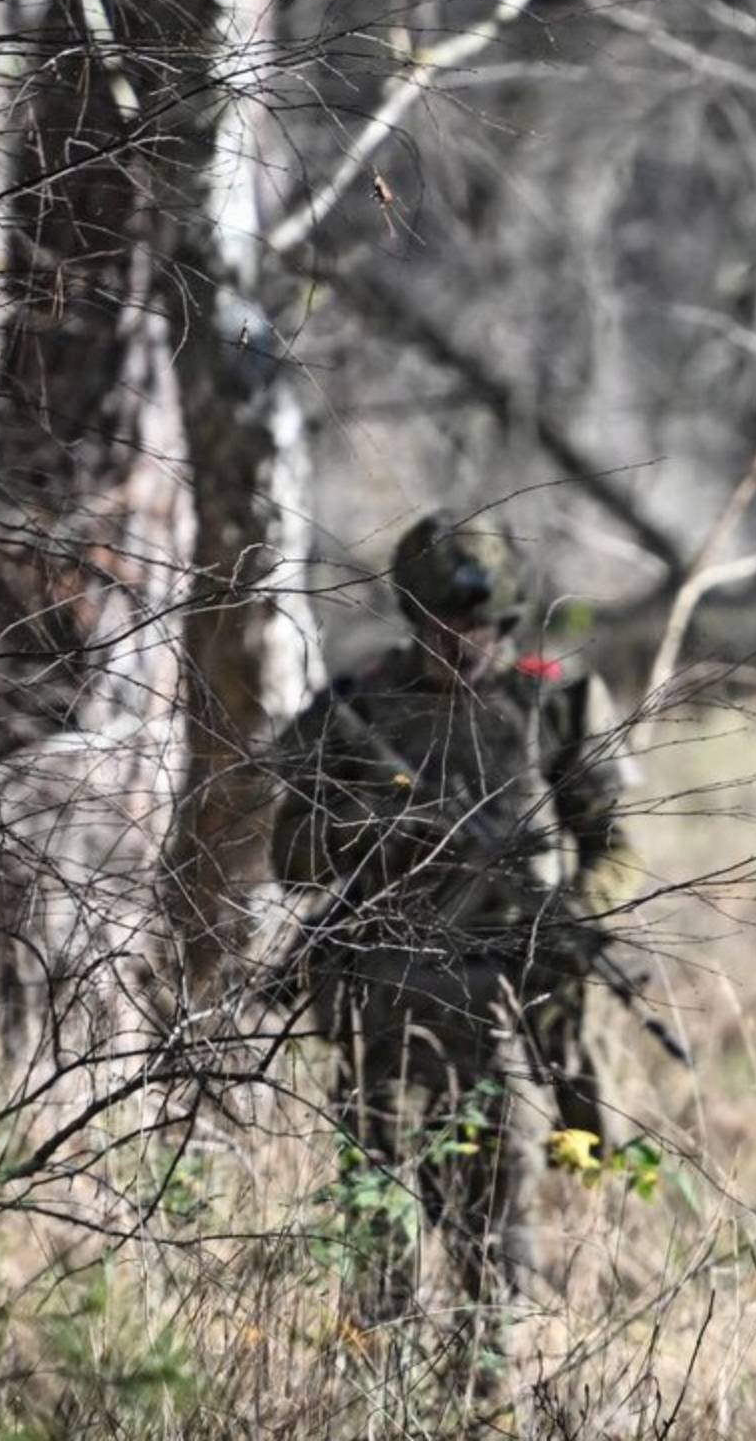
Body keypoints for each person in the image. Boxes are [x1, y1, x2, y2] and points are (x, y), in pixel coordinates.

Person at [268, 511, 644, 1384]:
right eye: (443, 627)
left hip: (505, 997)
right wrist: (370, 831)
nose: (462, 644)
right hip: (380, 1005)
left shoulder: (554, 704)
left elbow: (614, 847)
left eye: (478, 627)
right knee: (378, 1213)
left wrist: (571, 913)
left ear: (508, 623)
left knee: (498, 1209)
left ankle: (487, 1388)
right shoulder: (356, 709)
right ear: (412, 619)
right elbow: (290, 860)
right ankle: (376, 1389)